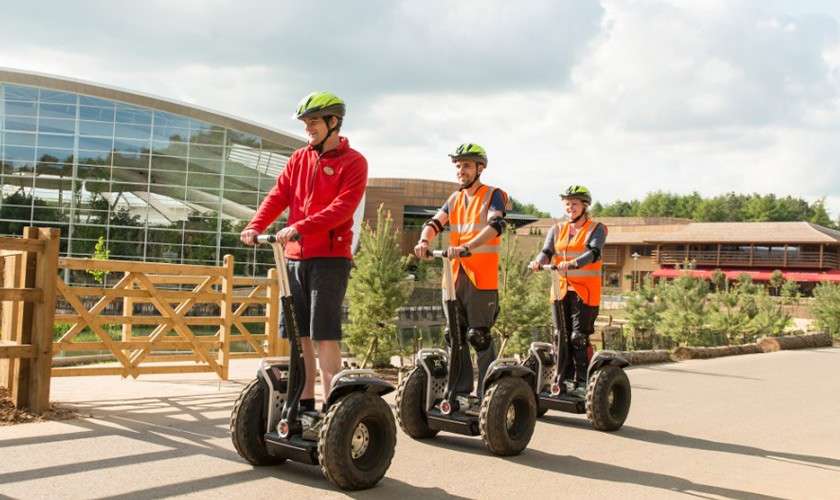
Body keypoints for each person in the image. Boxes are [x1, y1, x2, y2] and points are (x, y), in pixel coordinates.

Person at [240, 91, 367, 412]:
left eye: (313, 121)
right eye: (305, 122)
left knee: (324, 335)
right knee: (301, 337)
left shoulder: (354, 162)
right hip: (295, 258)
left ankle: (333, 407)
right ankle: (306, 402)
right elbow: (278, 194)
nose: (308, 127)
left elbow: (343, 208)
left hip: (330, 259)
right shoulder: (299, 158)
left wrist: (301, 226)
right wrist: (255, 225)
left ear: (333, 122)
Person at [414, 143, 510, 399]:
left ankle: (488, 394)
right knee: (453, 335)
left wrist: (469, 246)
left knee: (478, 336)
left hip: (481, 278)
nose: (461, 171)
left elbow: (496, 224)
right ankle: (459, 390)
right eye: (458, 166)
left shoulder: (494, 194)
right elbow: (435, 222)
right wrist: (424, 241)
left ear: (480, 167)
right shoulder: (454, 198)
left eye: (466, 165)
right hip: (454, 275)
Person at [529, 185, 607, 397]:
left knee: (578, 338)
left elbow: (593, 252)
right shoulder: (557, 229)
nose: (570, 207)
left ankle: (583, 381)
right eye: (567, 204)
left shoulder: (597, 228)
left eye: (574, 203)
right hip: (560, 290)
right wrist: (538, 262)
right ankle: (561, 379)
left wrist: (573, 263)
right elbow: (547, 251)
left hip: (585, 292)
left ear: (584, 206)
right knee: (559, 336)